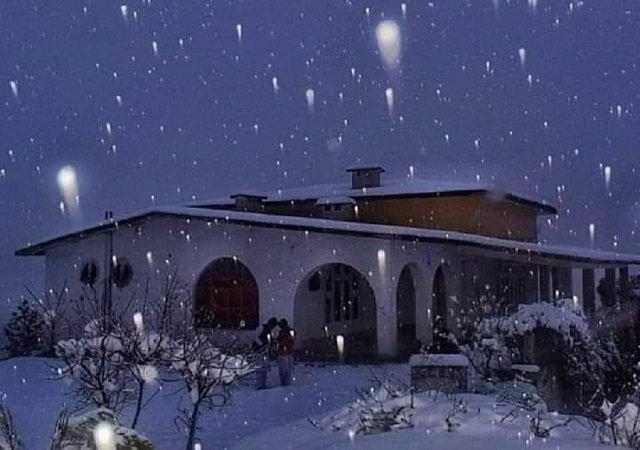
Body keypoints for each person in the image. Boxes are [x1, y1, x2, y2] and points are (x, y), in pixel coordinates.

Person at [252, 317, 278, 390]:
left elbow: (269, 340)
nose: (273, 327)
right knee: (259, 368)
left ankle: (263, 384)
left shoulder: (269, 331)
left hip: (265, 351)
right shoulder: (261, 327)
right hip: (258, 350)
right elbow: (255, 337)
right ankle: (259, 385)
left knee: (264, 368)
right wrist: (262, 345)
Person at [276, 318, 295, 386]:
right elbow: (292, 340)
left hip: (283, 352)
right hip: (289, 351)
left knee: (283, 368)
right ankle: (286, 382)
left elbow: (283, 341)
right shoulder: (290, 331)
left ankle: (284, 382)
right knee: (288, 368)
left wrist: (279, 342)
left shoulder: (283, 332)